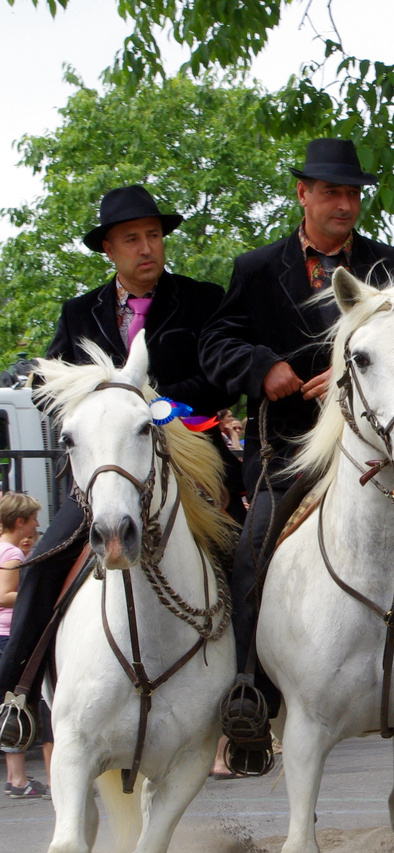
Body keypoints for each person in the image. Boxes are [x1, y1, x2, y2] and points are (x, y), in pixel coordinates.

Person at [200, 138, 394, 738]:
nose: (344, 203)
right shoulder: (257, 269)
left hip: (384, 444)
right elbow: (216, 345)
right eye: (331, 191)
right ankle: (249, 689)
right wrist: (263, 367)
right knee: (254, 547)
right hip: (291, 444)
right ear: (303, 194)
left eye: (353, 193)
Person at [0, 186, 234, 747]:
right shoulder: (78, 313)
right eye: (132, 239)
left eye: (153, 235)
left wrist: (150, 401)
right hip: (107, 472)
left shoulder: (201, 300)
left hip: (189, 460)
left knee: (246, 557)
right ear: (109, 248)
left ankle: (251, 695)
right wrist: (102, 401)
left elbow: (220, 378)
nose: (146, 247)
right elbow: (47, 389)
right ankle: (15, 696)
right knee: (43, 562)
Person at [0, 494, 50, 796]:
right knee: (15, 705)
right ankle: (18, 779)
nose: (37, 524)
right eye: (33, 519)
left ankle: (15, 777)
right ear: (20, 521)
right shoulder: (12, 556)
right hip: (8, 634)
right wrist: (38, 596)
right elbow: (5, 595)